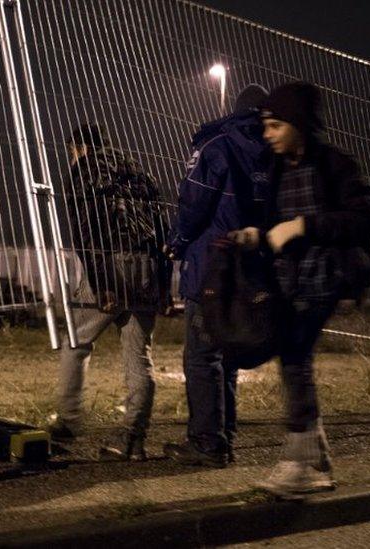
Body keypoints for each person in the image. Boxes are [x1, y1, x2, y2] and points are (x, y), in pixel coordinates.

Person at [230, 81, 370, 497]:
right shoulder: (278, 170)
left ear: (297, 124)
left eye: (275, 125)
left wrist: (303, 227)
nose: (267, 134)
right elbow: (276, 224)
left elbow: (364, 219)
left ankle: (300, 463)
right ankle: (318, 461)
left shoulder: (334, 166)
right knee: (294, 359)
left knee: (294, 357)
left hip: (326, 279)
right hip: (292, 282)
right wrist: (256, 235)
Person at [161, 85, 270, 468]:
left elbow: (194, 201)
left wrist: (177, 241)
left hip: (210, 263)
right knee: (227, 353)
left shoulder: (216, 145)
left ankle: (207, 442)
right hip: (249, 267)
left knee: (201, 354)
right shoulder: (272, 152)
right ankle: (225, 436)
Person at [48, 123, 171, 461]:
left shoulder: (84, 170)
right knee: (139, 355)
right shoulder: (139, 171)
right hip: (147, 265)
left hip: (110, 262)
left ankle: (69, 420)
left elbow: (86, 233)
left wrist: (102, 284)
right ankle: (132, 438)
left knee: (76, 340)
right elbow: (163, 227)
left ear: (77, 148)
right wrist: (162, 283)